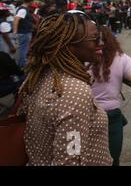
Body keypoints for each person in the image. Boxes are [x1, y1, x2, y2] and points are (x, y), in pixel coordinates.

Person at [20, 12, 112, 165]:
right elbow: (70, 159)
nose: (101, 42)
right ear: (68, 45)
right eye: (95, 38)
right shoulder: (74, 92)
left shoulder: (39, 77)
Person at [89, 26, 131, 166]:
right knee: (112, 159)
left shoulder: (75, 59)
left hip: (83, 114)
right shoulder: (120, 58)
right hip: (110, 117)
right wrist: (129, 61)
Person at [13, 0, 34, 68]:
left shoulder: (21, 8)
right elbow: (16, 20)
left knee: (23, 48)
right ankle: (22, 64)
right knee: (23, 49)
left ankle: (21, 63)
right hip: (24, 33)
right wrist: (15, 31)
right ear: (30, 1)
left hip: (24, 32)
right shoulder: (23, 10)